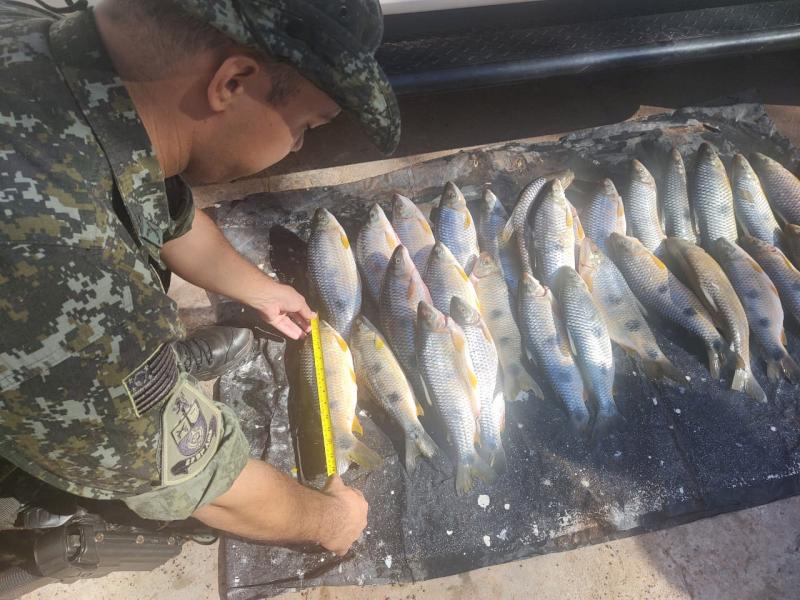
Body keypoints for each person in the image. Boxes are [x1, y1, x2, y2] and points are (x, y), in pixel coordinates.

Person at [0, 0, 400, 556]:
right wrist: (332, 521)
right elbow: (203, 478)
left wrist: (258, 288)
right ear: (232, 81)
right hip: (41, 388)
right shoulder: (64, 276)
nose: (300, 145)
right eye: (305, 125)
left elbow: (160, 211)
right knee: (143, 503)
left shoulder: (36, 39)